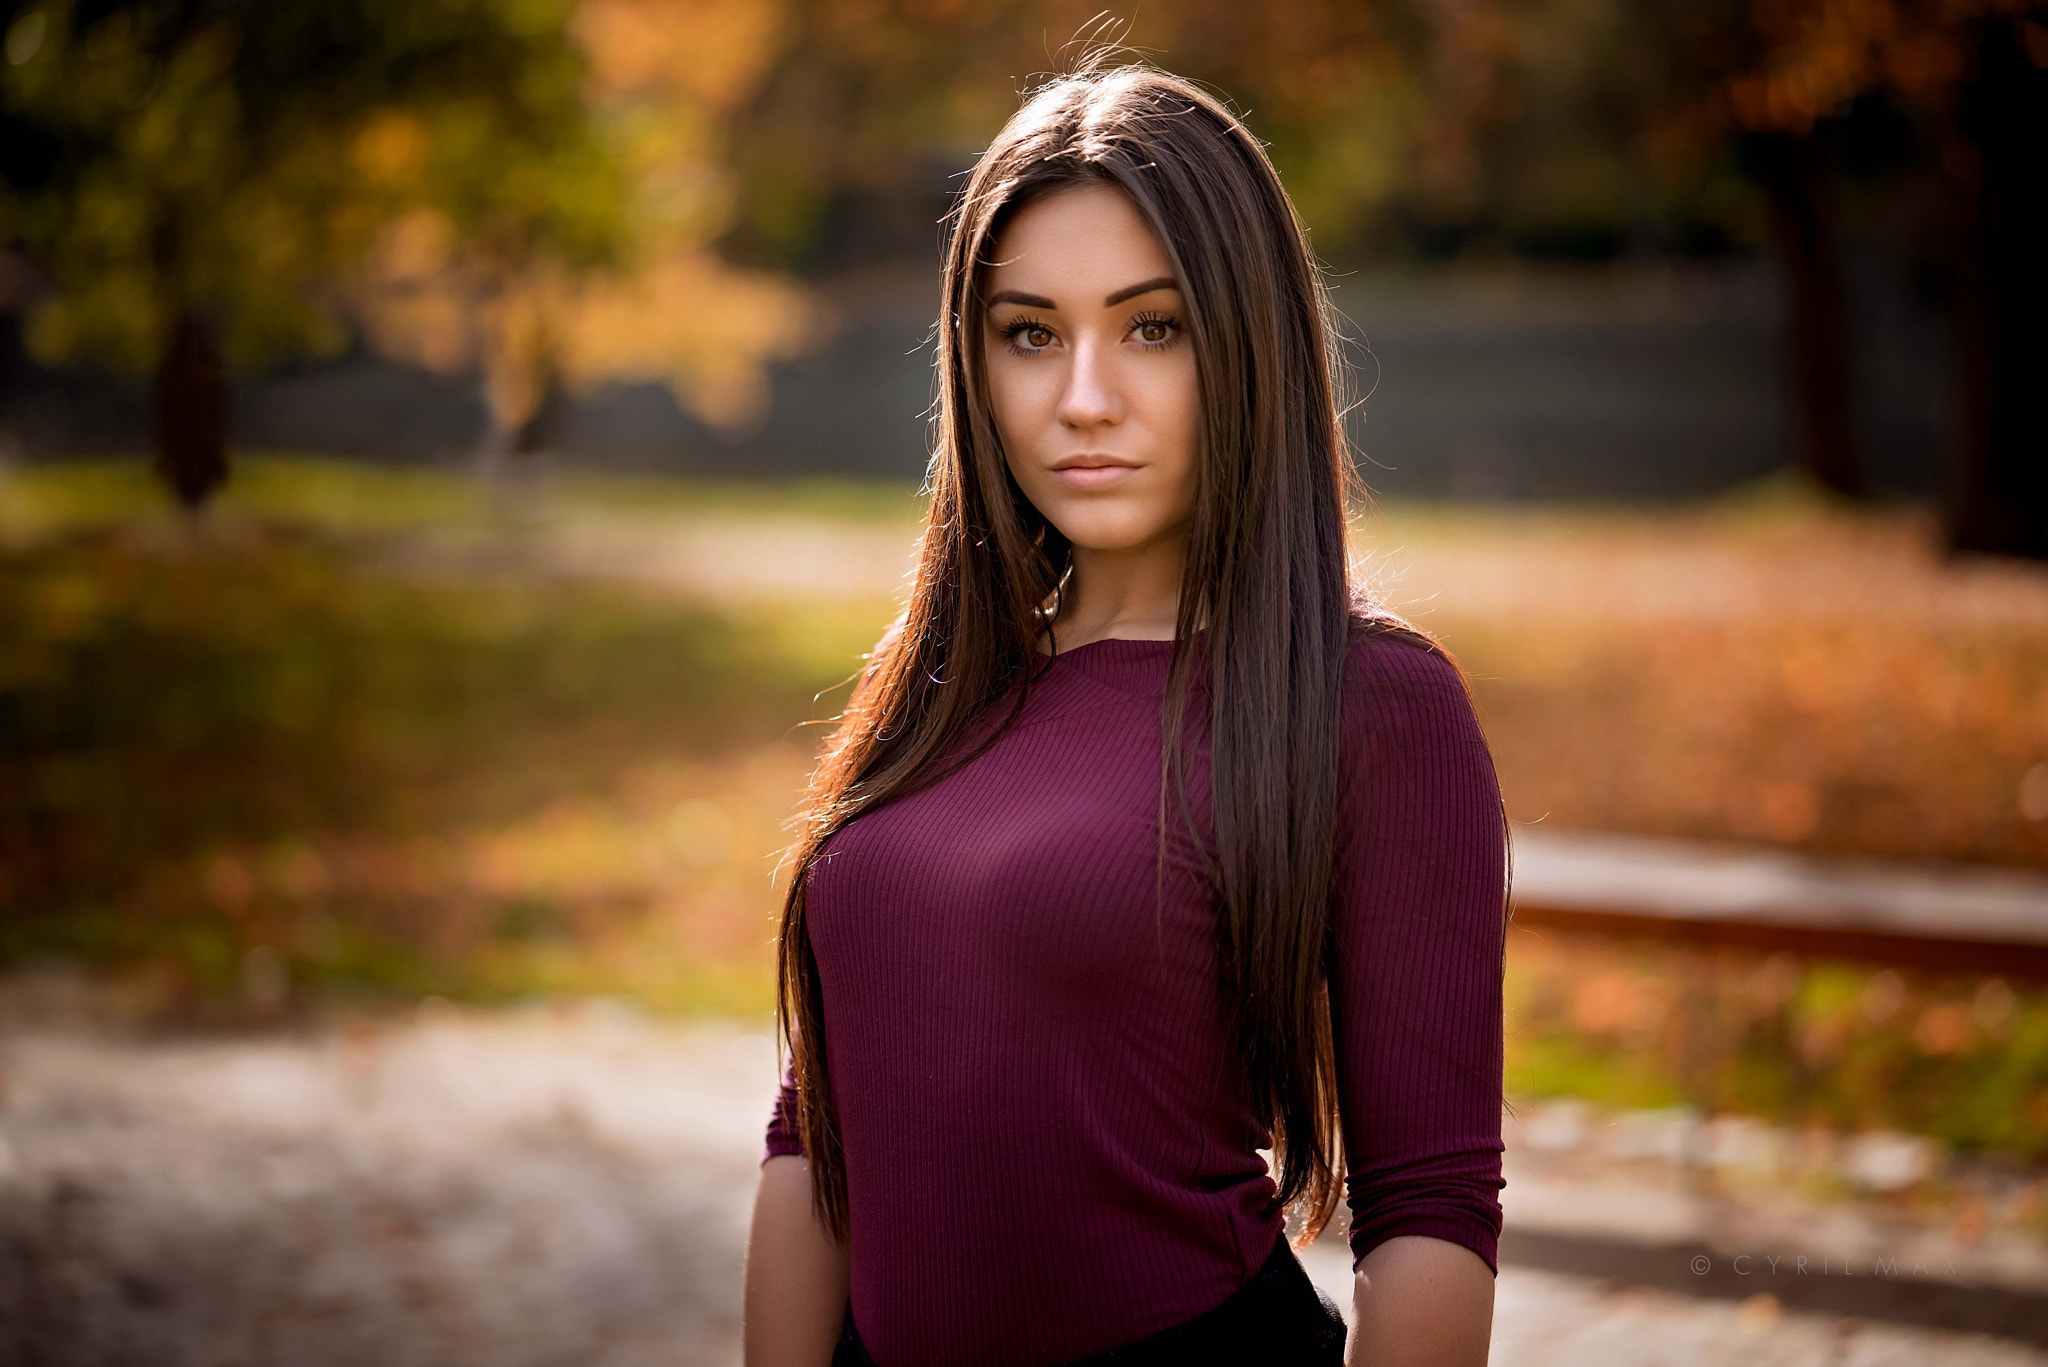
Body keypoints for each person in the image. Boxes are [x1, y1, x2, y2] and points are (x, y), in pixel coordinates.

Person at [743, 54, 1507, 1367]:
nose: (1082, 399)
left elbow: (1429, 1216)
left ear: (1247, 342)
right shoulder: (939, 681)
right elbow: (816, 1132)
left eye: (1154, 328)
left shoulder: (1373, 705)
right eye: (1030, 333)